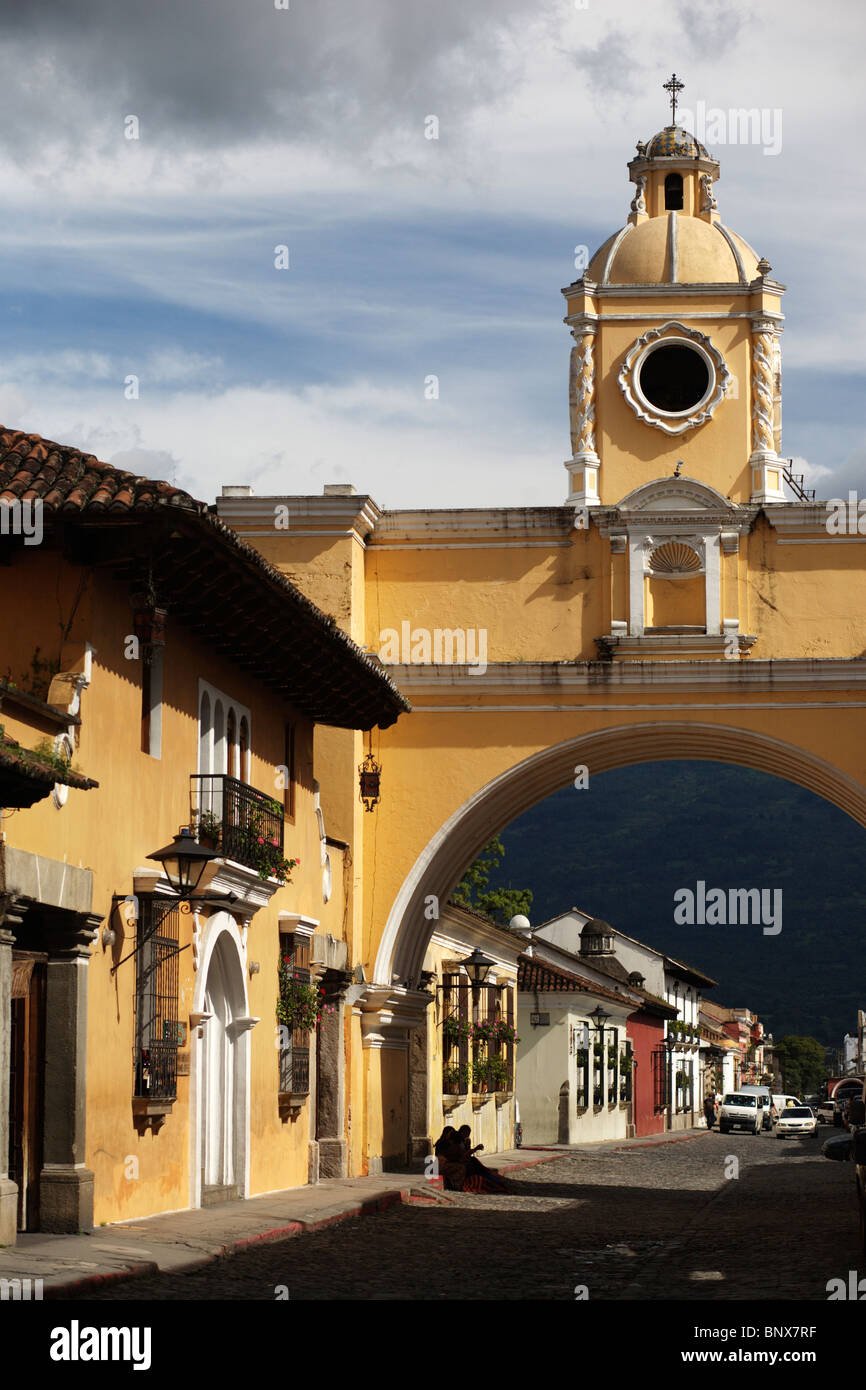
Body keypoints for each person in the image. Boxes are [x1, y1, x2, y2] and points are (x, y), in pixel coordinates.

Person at [455, 1124, 511, 1193]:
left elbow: (467, 1154)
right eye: (467, 1133)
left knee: (477, 1163)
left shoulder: (465, 1141)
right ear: (462, 1132)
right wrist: (475, 1149)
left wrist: (469, 1146)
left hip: (468, 1161)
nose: (468, 1135)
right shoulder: (456, 1143)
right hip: (462, 1162)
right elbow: (462, 1156)